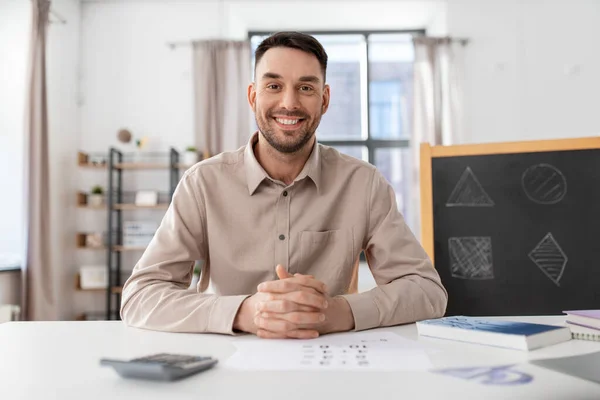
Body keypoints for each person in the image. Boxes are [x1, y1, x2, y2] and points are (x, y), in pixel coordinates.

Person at [120, 31, 447, 339]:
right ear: (253, 95)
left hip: (329, 362)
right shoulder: (202, 183)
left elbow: (427, 291)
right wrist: (244, 312)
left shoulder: (364, 184)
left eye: (306, 88)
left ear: (325, 99)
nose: (289, 103)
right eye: (273, 86)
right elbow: (140, 297)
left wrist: (338, 311)